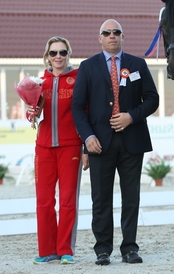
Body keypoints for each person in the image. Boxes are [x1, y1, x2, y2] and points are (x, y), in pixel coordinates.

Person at [72, 19, 159, 266]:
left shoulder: (137, 64)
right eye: (107, 33)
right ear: (99, 38)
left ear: (123, 36)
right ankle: (103, 249)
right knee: (101, 198)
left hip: (133, 141)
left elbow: (152, 99)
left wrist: (131, 116)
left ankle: (130, 248)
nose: (112, 36)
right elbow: (78, 107)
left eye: (116, 32)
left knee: (131, 198)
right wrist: (87, 138)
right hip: (100, 143)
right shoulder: (87, 67)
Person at [31, 36, 86, 265]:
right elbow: (32, 114)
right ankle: (46, 250)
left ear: (68, 54)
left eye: (62, 52)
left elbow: (85, 112)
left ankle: (65, 250)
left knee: (67, 201)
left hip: (70, 147)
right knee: (44, 201)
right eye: (53, 53)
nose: (58, 57)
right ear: (47, 56)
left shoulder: (78, 79)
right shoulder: (38, 82)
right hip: (43, 148)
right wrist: (30, 112)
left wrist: (85, 148)